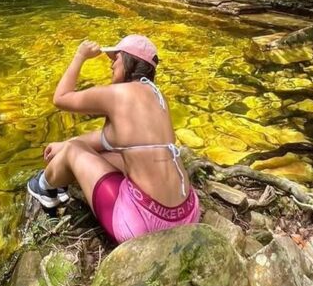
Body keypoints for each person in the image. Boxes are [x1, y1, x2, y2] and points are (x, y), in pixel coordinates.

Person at [26, 34, 200, 243]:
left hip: (143, 225)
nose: (111, 66)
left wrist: (80, 55)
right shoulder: (157, 97)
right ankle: (62, 176)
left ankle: (43, 187)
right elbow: (110, 139)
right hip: (188, 215)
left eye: (115, 58)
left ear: (128, 59)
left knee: (74, 152)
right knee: (103, 154)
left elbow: (60, 98)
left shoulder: (117, 94)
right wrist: (65, 144)